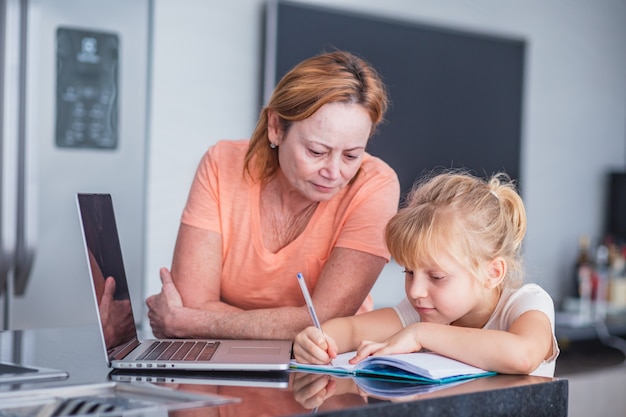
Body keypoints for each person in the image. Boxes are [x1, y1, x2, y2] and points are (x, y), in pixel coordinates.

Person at [146, 50, 400, 340]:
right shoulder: (222, 163)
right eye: (316, 152)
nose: (334, 172)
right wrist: (293, 325)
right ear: (276, 127)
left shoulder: (375, 184)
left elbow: (326, 322)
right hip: (219, 359)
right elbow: (192, 302)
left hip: (325, 366)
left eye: (352, 155)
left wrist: (194, 323)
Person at [293, 170, 560, 377]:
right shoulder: (421, 311)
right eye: (409, 272)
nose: (415, 291)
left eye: (437, 277)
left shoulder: (527, 304)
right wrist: (317, 340)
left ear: (493, 272)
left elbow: (523, 355)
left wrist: (421, 334)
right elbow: (350, 331)